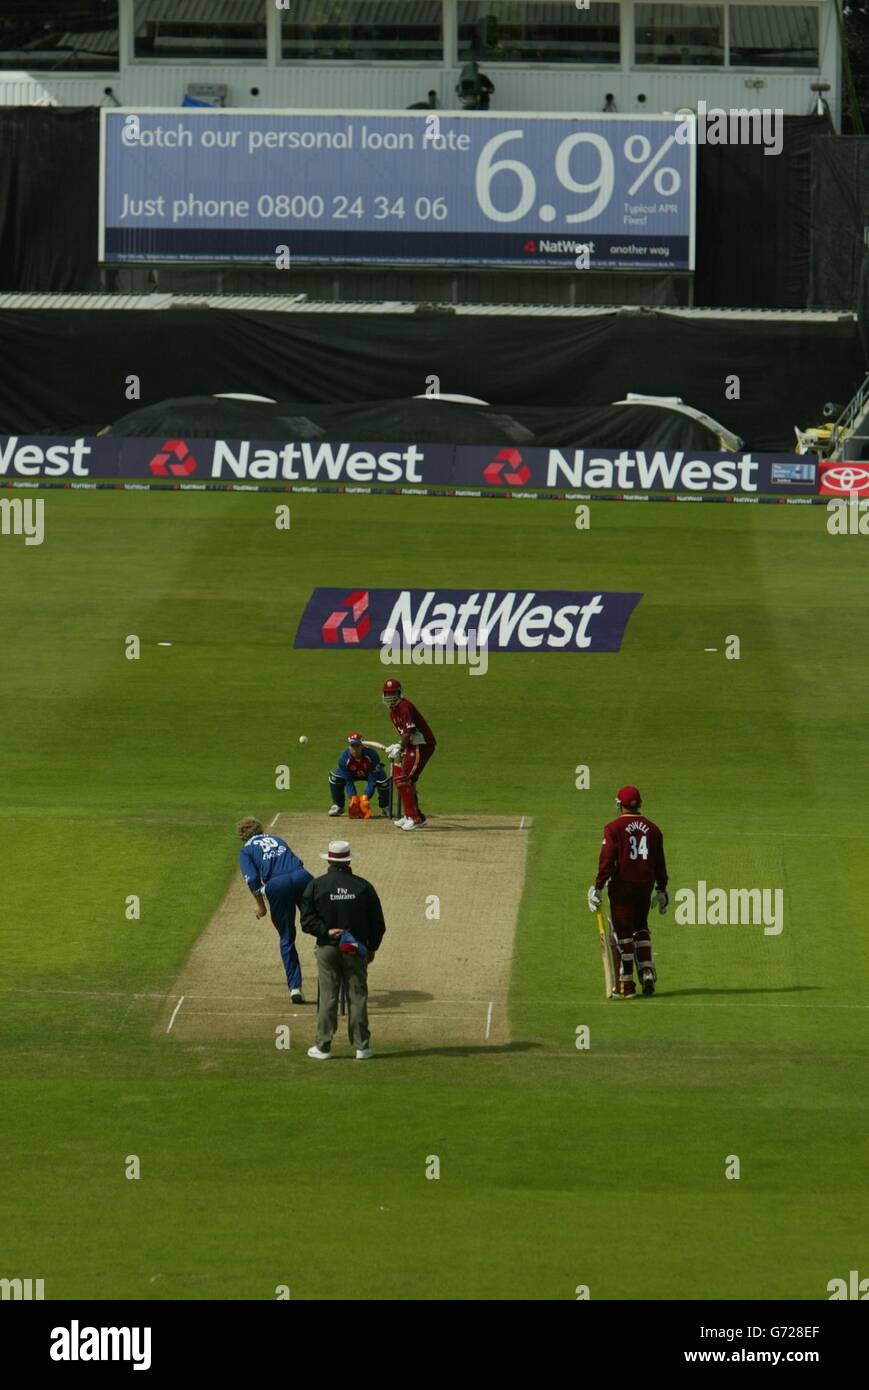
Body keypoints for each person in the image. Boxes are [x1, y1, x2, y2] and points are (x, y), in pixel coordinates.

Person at [300, 840, 386, 1060]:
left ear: (329, 860)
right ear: (348, 860)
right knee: (357, 996)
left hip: (327, 949)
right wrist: (372, 947)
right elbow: (378, 923)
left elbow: (306, 921)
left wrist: (326, 932)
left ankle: (323, 1046)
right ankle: (362, 1047)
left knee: (328, 996)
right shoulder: (363, 886)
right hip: (355, 949)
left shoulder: (316, 885)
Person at [587, 786, 669, 998]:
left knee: (623, 933)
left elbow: (607, 859)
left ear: (619, 804)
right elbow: (660, 863)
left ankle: (627, 985)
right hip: (645, 885)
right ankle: (647, 970)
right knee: (641, 925)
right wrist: (662, 889)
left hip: (622, 886)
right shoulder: (654, 829)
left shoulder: (613, 828)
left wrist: (597, 886)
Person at [236, 818, 313, 1003]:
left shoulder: (246, 850)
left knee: (286, 937)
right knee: (319, 922)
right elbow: (296, 861)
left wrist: (261, 906)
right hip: (303, 877)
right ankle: (331, 953)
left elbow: (252, 879)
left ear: (241, 835)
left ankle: (295, 988)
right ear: (260, 829)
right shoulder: (277, 838)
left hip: (277, 885)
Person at [382, 678, 436, 830]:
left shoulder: (405, 707)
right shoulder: (392, 712)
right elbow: (404, 733)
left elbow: (410, 731)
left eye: (393, 693)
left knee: (405, 779)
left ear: (399, 693)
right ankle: (413, 815)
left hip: (422, 745)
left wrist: (399, 747)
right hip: (413, 746)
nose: (390, 697)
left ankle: (414, 818)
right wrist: (399, 746)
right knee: (403, 781)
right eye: (387, 694)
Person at [328, 732, 391, 818]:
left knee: (383, 779)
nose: (355, 749)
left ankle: (385, 806)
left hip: (369, 773)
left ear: (362, 746)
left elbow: (372, 780)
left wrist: (365, 797)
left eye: (357, 746)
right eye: (352, 746)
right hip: (351, 774)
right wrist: (354, 798)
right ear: (349, 747)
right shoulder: (343, 759)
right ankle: (338, 806)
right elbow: (348, 781)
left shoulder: (372, 755)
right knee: (335, 778)